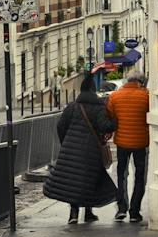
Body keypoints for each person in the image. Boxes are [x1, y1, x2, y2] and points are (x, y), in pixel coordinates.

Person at [44, 70, 118, 224]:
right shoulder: (98, 108)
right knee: (89, 181)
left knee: (73, 181)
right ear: (93, 90)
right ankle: (88, 212)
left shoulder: (72, 107)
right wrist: (115, 121)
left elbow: (60, 126)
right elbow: (105, 126)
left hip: (71, 151)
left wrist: (67, 142)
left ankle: (74, 213)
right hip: (91, 152)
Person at [106, 72, 151, 223]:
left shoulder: (115, 96)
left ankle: (121, 208)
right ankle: (135, 211)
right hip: (141, 142)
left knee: (121, 175)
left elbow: (111, 118)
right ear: (140, 82)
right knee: (140, 176)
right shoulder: (146, 96)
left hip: (122, 142)